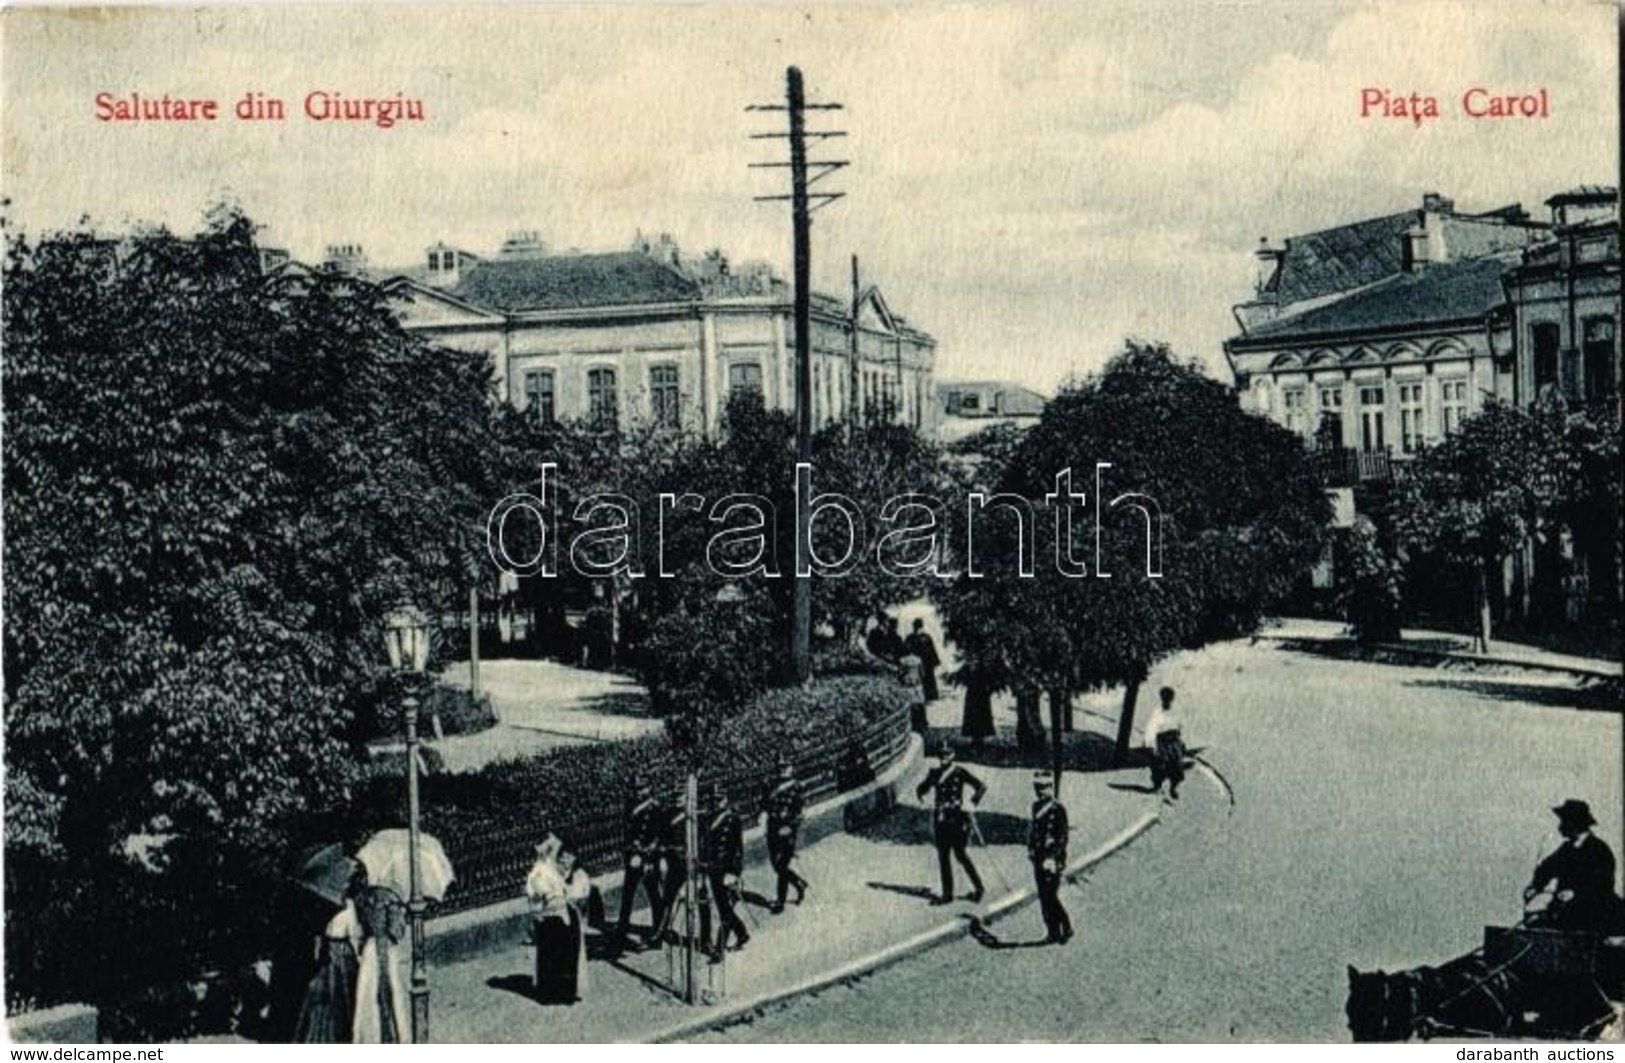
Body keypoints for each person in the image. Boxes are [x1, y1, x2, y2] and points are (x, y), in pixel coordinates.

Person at [1525, 800, 1624, 933]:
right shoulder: (1566, 849)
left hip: (1594, 915)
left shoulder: (1600, 850)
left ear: (1574, 823)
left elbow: (1603, 886)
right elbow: (1546, 869)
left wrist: (1575, 894)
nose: (1560, 827)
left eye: (1563, 821)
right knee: (1533, 923)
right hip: (1567, 912)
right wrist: (1535, 886)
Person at [292, 873, 363, 1042]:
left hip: (329, 949)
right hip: (341, 949)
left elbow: (319, 933)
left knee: (325, 994)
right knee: (343, 993)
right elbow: (353, 932)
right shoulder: (348, 906)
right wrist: (358, 955)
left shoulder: (325, 904)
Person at [915, 742, 987, 905]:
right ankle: (948, 894)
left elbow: (981, 786)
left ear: (953, 755)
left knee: (961, 854)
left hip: (957, 818)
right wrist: (922, 797)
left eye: (947, 755)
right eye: (941, 755)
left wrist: (972, 803)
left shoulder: (959, 772)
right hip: (941, 818)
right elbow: (922, 789)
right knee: (943, 856)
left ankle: (979, 888)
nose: (943, 759)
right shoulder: (934, 773)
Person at [526, 834, 585, 1004]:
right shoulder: (540, 871)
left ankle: (563, 991)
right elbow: (537, 893)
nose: (545, 854)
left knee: (564, 954)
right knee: (552, 955)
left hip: (561, 913)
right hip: (550, 915)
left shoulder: (552, 868)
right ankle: (553, 992)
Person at [351, 884, 408, 1042]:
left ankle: (370, 1037)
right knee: (393, 991)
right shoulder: (392, 897)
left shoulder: (361, 898)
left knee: (368, 993)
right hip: (386, 949)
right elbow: (398, 931)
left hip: (370, 949)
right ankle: (395, 1034)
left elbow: (359, 931)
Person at [615, 778, 666, 949]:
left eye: (642, 788)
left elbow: (660, 835)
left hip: (649, 860)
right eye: (636, 789)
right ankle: (621, 932)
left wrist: (648, 853)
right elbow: (627, 831)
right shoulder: (630, 805)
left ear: (649, 788)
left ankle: (658, 932)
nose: (638, 792)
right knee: (627, 895)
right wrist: (631, 848)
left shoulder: (655, 807)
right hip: (633, 858)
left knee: (654, 896)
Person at [702, 783, 750, 961]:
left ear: (726, 800)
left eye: (719, 800)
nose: (716, 803)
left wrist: (735, 873)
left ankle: (719, 949)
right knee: (724, 908)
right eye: (714, 800)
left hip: (727, 871)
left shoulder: (732, 819)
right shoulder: (709, 819)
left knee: (724, 910)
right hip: (714, 869)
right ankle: (742, 932)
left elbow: (738, 849)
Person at [1028, 773, 1073, 945]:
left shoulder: (1058, 809)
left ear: (1051, 788)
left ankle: (1066, 925)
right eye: (1037, 788)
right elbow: (1034, 831)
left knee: (1051, 896)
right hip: (1039, 857)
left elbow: (1062, 837)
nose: (1040, 792)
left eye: (1044, 787)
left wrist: (1053, 858)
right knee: (1043, 896)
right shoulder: (1035, 807)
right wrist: (1031, 848)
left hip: (1053, 860)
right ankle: (1052, 931)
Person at [764, 761, 808, 913]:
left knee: (782, 866)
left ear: (791, 768)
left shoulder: (797, 787)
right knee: (776, 866)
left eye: (786, 767)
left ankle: (780, 902)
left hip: (787, 831)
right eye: (780, 768)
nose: (783, 770)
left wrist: (790, 827)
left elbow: (800, 814)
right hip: (772, 830)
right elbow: (765, 806)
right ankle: (798, 883)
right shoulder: (771, 785)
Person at [1144, 685, 1186, 800]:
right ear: (1162, 698)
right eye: (1165, 698)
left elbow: (1180, 726)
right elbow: (1151, 729)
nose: (1168, 700)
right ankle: (1157, 786)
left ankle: (1173, 787)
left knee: (1177, 765)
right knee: (1160, 764)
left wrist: (1181, 741)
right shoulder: (1157, 712)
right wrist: (1151, 745)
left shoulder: (1175, 711)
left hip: (1173, 741)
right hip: (1162, 741)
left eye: (1170, 698)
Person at [904, 619, 942, 702]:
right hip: (925, 662)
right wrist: (935, 661)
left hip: (919, 662)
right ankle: (930, 695)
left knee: (922, 678)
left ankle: (926, 696)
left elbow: (906, 649)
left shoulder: (911, 638)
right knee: (927, 678)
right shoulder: (926, 637)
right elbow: (932, 650)